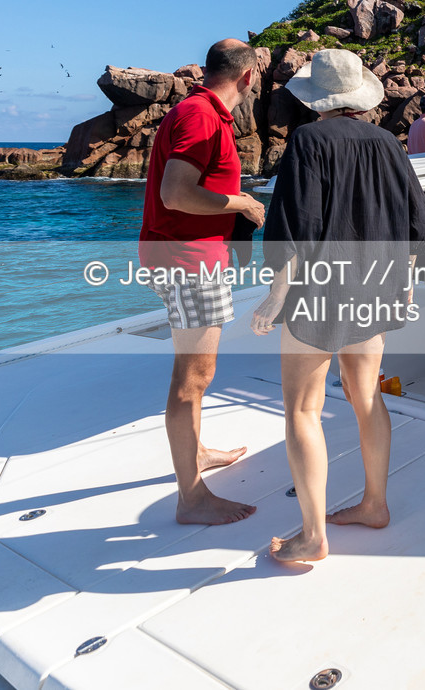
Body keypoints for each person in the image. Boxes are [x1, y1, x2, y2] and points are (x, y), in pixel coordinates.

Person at [253, 49, 425, 564]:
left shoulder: (308, 140)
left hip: (319, 293)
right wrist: (407, 281)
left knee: (303, 410)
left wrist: (277, 293)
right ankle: (375, 505)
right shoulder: (388, 142)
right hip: (376, 287)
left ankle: (313, 536)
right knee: (366, 397)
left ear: (317, 99)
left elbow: (295, 223)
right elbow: (419, 222)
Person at [140, 38, 266, 526]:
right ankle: (191, 499)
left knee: (192, 372)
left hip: (181, 255)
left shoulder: (198, 111)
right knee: (193, 378)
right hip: (189, 262)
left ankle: (196, 453)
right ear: (247, 77)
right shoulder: (202, 116)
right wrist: (243, 203)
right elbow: (175, 194)